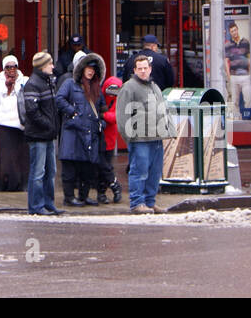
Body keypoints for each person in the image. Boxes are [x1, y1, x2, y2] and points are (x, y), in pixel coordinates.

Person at [116, 53, 173, 213]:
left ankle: (149, 202)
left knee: (154, 173)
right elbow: (122, 114)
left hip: (156, 137)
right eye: (139, 68)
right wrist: (128, 136)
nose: (142, 71)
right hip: (139, 138)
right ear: (134, 70)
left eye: (145, 68)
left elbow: (162, 109)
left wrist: (168, 130)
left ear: (150, 69)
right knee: (139, 171)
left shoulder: (154, 86)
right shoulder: (129, 87)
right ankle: (137, 203)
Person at [56, 52, 106, 206]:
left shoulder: (96, 88)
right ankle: (69, 197)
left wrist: (101, 123)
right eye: (88, 68)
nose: (91, 71)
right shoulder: (70, 84)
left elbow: (102, 109)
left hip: (90, 132)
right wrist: (72, 112)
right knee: (70, 168)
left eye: (93, 69)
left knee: (88, 168)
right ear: (82, 69)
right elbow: (59, 99)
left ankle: (84, 196)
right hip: (73, 131)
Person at [21, 51, 62, 215]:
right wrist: (49, 125)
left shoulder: (48, 81)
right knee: (38, 172)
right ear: (43, 66)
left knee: (50, 171)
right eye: (50, 63)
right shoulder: (33, 83)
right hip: (38, 135)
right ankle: (36, 206)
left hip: (48, 134)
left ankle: (48, 203)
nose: (53, 66)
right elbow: (32, 110)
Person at [0, 54, 29, 192]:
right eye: (8, 67)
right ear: (4, 68)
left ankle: (21, 184)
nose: (11, 70)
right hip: (4, 126)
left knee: (22, 158)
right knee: (6, 160)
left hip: (21, 126)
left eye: (13, 66)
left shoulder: (25, 82)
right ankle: (5, 184)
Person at [100, 75, 123, 203]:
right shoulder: (101, 97)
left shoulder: (118, 100)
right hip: (100, 134)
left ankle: (102, 192)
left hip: (109, 136)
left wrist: (102, 115)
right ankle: (113, 186)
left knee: (106, 164)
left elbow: (116, 117)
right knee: (101, 164)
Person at [224, 20, 251, 120]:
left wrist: (250, 73)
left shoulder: (245, 42)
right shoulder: (228, 45)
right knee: (234, 101)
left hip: (245, 76)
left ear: (237, 30)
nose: (234, 32)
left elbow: (249, 58)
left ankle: (247, 119)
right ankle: (236, 121)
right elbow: (226, 61)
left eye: (235, 30)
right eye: (232, 31)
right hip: (234, 76)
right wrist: (229, 76)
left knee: (248, 99)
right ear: (230, 33)